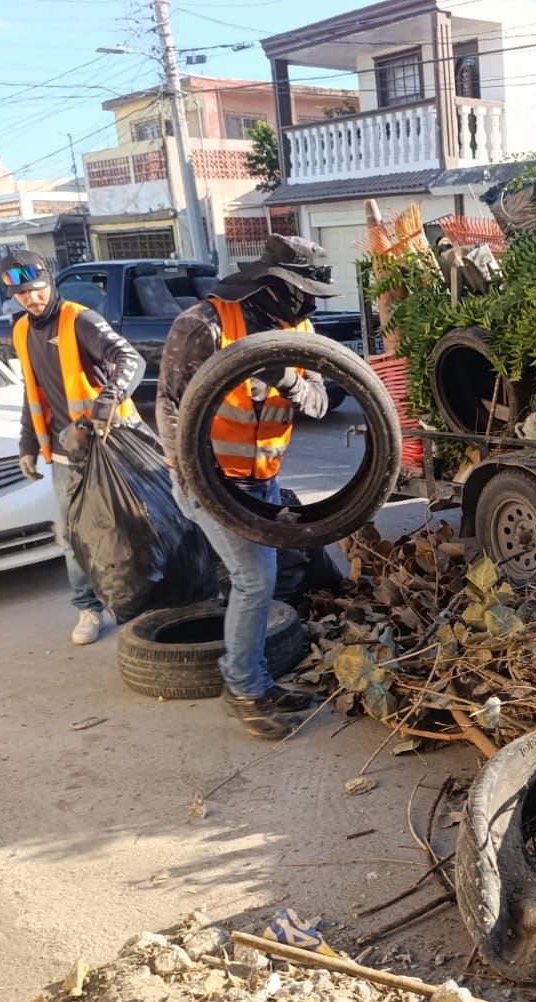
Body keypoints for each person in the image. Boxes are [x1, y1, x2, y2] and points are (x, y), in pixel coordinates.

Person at [156, 234, 334, 738]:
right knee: (255, 581)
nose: (305, 306)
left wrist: (285, 380)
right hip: (209, 480)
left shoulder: (300, 331)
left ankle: (254, 678)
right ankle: (243, 690)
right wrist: (189, 476)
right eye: (299, 293)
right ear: (271, 286)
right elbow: (170, 404)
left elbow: (319, 402)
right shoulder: (204, 326)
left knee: (260, 580)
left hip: (263, 479)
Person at [7, 250, 146, 645]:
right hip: (66, 453)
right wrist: (27, 444)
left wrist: (107, 401)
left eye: (36, 290)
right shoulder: (21, 330)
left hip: (108, 446)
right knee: (75, 535)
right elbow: (31, 393)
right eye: (22, 294)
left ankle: (142, 601)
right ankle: (88, 608)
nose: (31, 299)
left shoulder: (80, 319)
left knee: (129, 528)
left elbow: (130, 359)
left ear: (50, 282)